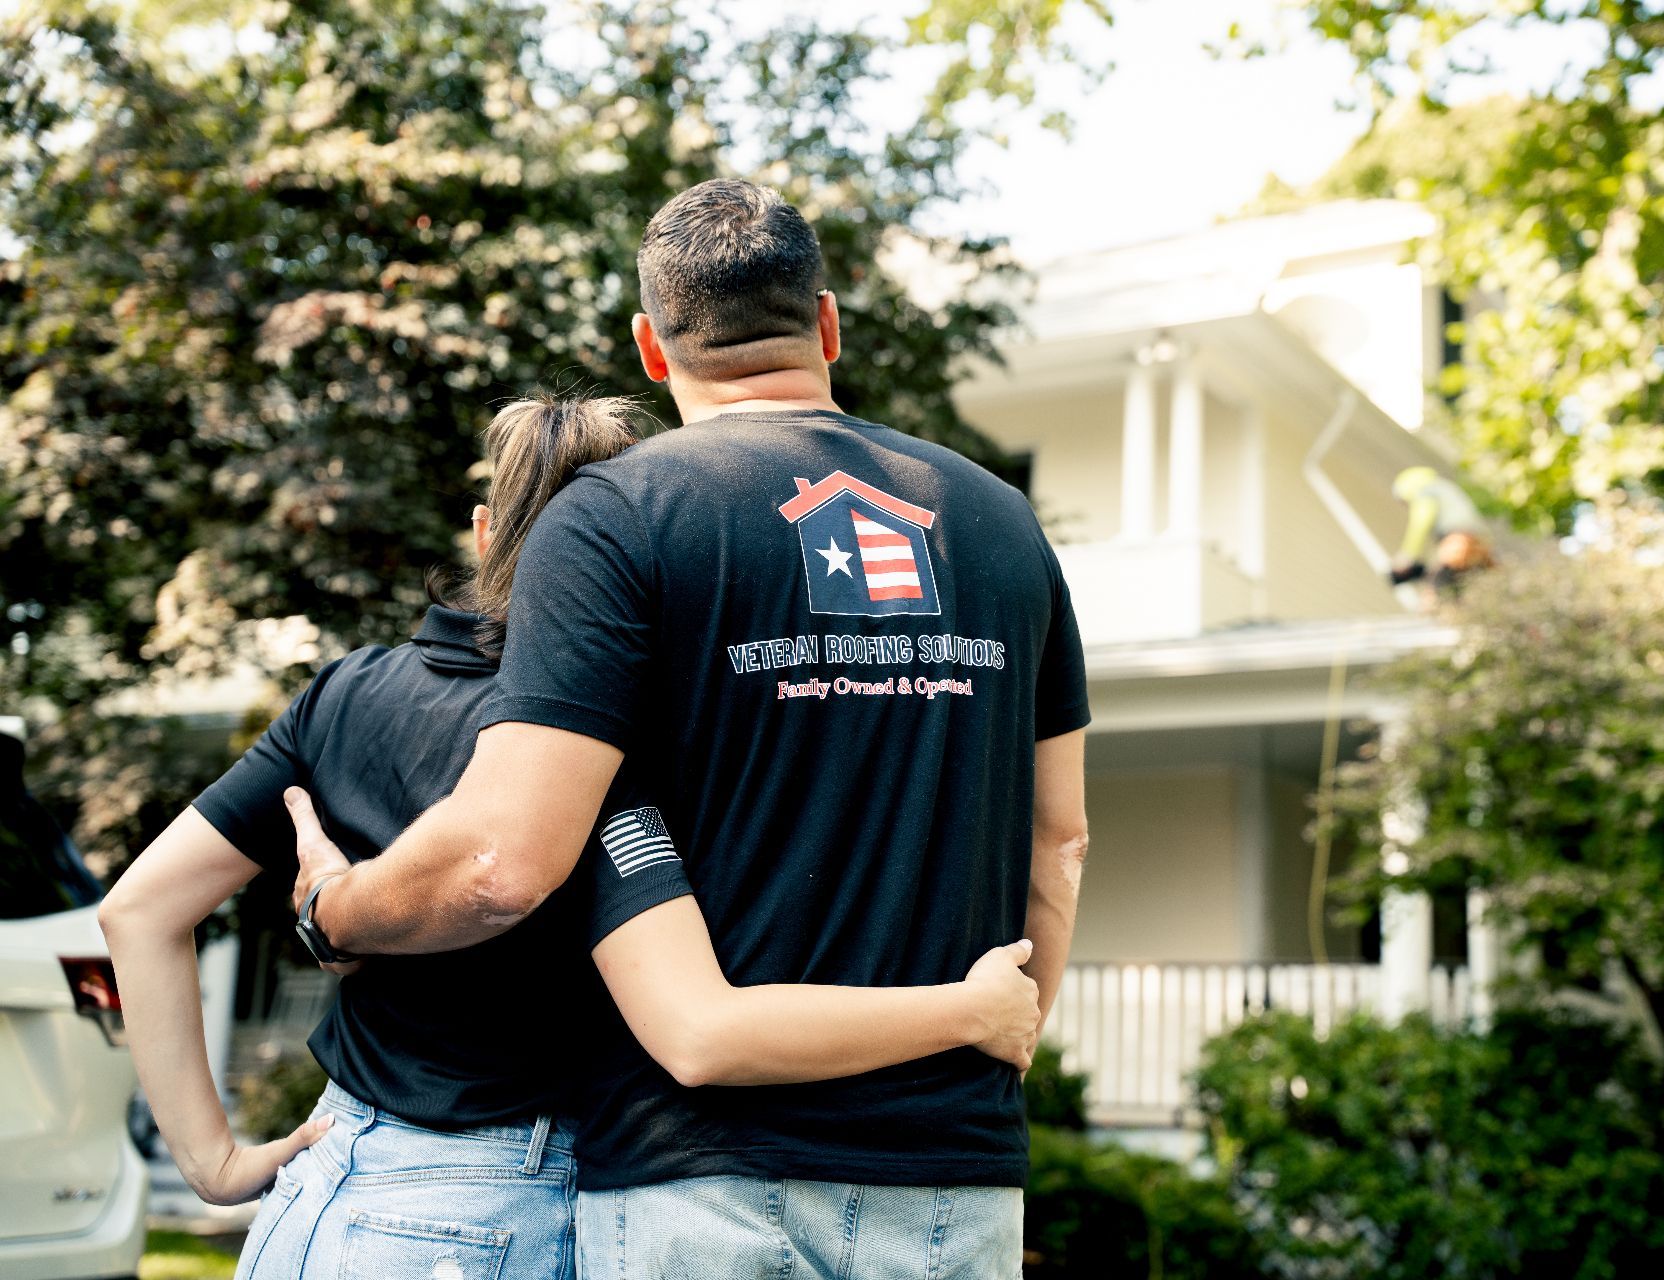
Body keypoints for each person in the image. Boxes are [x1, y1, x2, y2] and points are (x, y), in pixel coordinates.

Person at [286, 179, 1092, 1278]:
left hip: (706, 1186)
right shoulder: (1004, 526)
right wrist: (1002, 1021)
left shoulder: (617, 515)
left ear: (651, 350)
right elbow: (1062, 841)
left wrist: (334, 911)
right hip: (959, 1180)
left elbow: (501, 862)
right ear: (827, 322)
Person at [98, 394, 1042, 1280]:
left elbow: (139, 908)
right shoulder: (596, 757)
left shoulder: (342, 693)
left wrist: (212, 1160)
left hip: (321, 1199)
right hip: (501, 1212)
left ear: (481, 533)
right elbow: (688, 1016)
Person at [1389, 464, 1495, 588]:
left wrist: (1407, 555)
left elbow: (1421, 522)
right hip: (1479, 543)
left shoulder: (1425, 492)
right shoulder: (1443, 487)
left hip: (1459, 541)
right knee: (1458, 586)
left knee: (1435, 588)